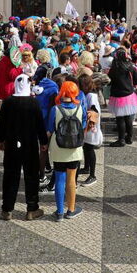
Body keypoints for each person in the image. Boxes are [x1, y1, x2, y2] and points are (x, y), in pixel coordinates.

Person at [0, 74, 48, 221]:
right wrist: (43, 142)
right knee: (31, 175)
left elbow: (2, 123)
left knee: (10, 175)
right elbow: (40, 124)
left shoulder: (7, 102)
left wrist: (0, 140)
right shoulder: (33, 102)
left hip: (12, 144)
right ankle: (32, 208)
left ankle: (7, 209)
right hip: (30, 144)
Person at [46, 80, 86, 221]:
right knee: (71, 179)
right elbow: (84, 124)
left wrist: (44, 144)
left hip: (58, 147)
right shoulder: (80, 107)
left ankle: (60, 212)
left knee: (59, 179)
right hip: (74, 148)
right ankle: (71, 209)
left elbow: (50, 130)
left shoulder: (55, 109)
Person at [107, 48, 137, 147]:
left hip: (117, 95)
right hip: (129, 95)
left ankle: (121, 139)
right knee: (128, 118)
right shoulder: (131, 67)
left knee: (120, 118)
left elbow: (109, 82)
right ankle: (129, 138)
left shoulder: (114, 69)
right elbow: (136, 82)